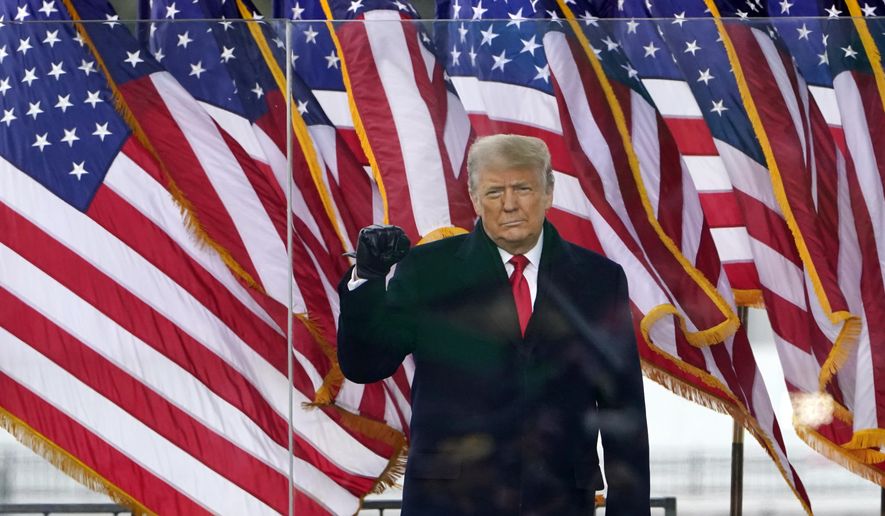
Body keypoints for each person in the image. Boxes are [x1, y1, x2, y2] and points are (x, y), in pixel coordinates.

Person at [337, 134, 649, 515]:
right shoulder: (428, 270)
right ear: (474, 198)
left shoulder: (599, 279)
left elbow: (622, 407)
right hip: (449, 501)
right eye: (494, 192)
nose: (509, 205)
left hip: (559, 501)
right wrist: (368, 279)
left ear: (549, 192)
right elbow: (366, 364)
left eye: (522, 188)